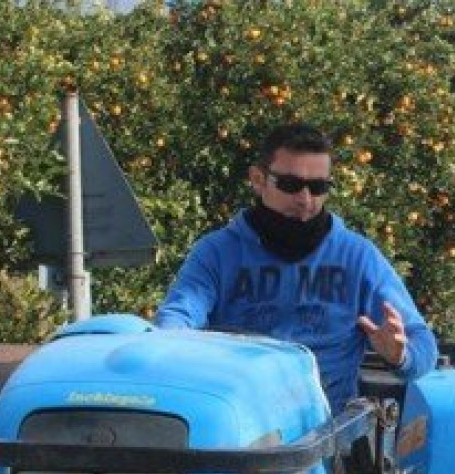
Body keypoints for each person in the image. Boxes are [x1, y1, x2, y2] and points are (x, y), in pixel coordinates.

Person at [156, 123, 437, 412]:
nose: (305, 199)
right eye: (291, 185)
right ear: (257, 179)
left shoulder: (357, 256)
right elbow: (177, 318)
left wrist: (400, 355)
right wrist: (167, 348)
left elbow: (423, 346)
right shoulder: (217, 253)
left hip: (327, 435)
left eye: (318, 187)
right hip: (241, 427)